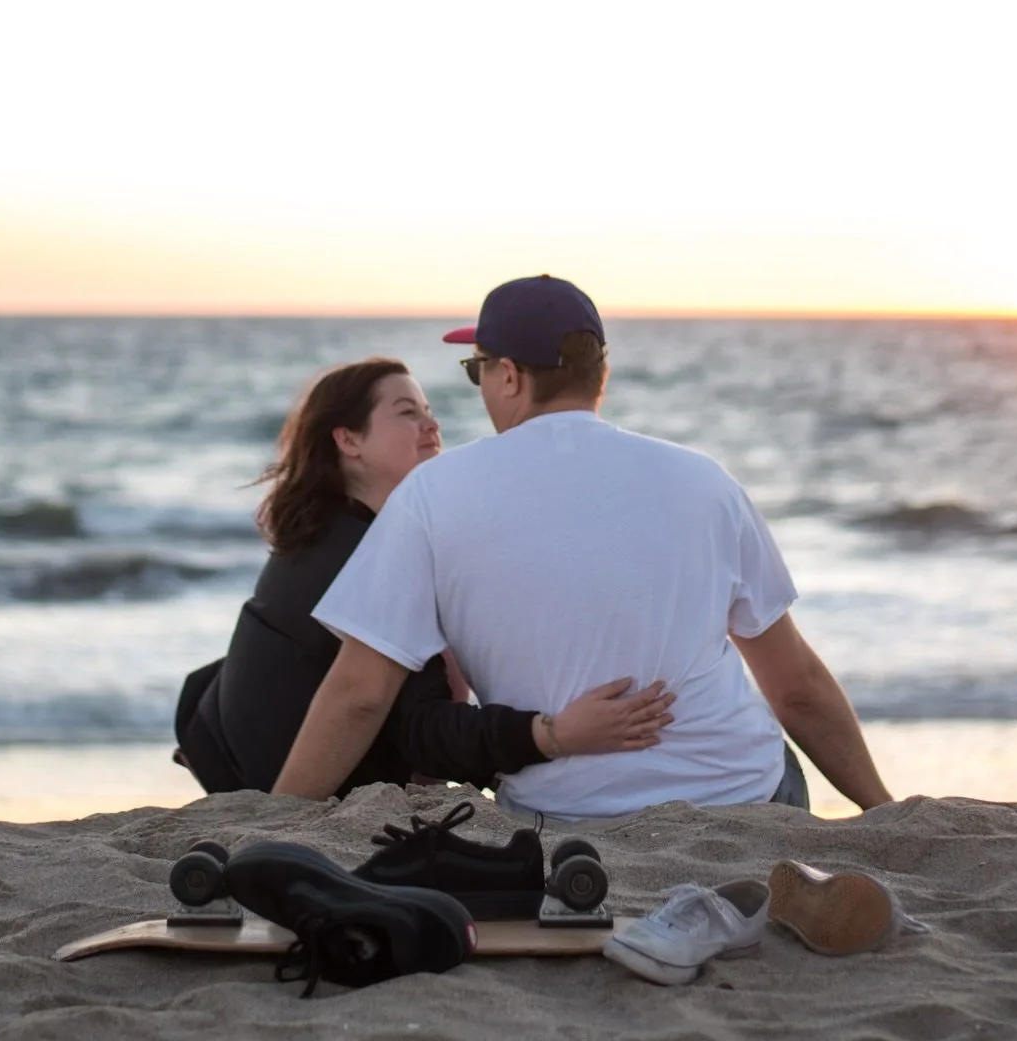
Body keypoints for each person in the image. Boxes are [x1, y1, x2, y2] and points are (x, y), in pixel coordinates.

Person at [273, 278, 893, 821]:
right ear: (601, 371)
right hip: (746, 800)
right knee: (764, 753)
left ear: (509, 375)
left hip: (563, 817)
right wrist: (883, 812)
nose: (482, 386)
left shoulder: (433, 494)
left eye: (477, 369)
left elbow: (359, 694)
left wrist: (275, 821)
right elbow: (797, 688)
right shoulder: (704, 480)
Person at [174, 356, 674, 797]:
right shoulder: (350, 555)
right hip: (286, 787)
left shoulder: (326, 533)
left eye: (430, 411)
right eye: (407, 413)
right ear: (349, 440)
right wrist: (553, 735)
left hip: (231, 751)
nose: (431, 425)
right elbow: (421, 727)